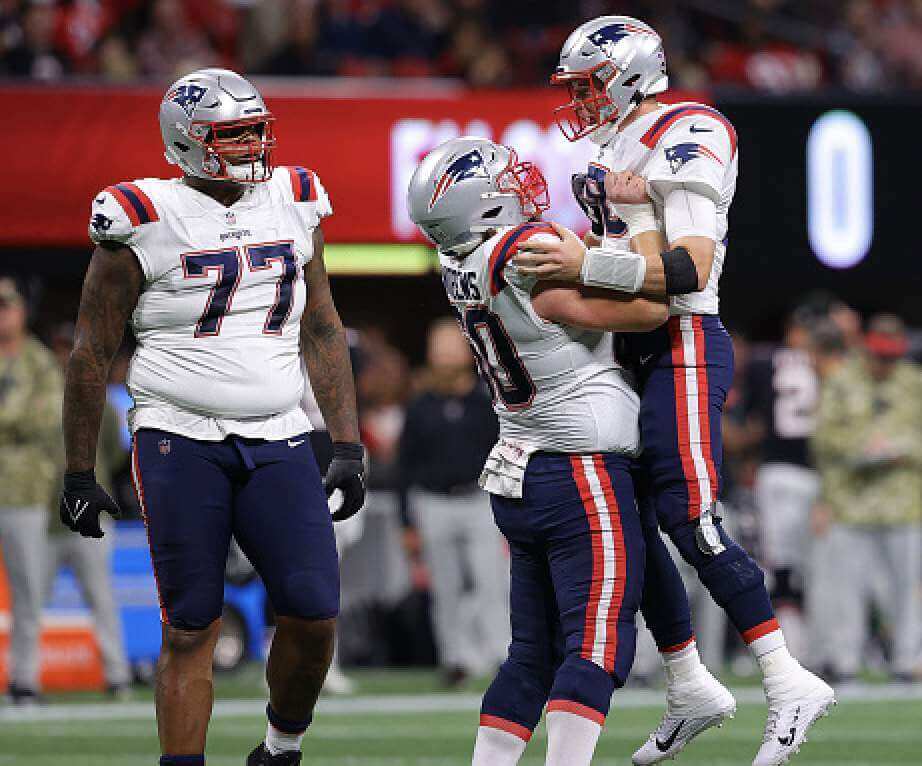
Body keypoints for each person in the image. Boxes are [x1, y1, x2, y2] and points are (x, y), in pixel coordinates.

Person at [513, 16, 834, 765]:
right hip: (628, 345)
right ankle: (689, 682)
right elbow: (628, 252)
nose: (580, 102)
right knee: (625, 521)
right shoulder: (611, 143)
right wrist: (591, 253)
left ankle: (787, 679)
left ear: (631, 74)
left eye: (589, 85)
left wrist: (583, 265)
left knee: (690, 511)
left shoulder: (689, 129)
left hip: (682, 341)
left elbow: (686, 270)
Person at [58, 69, 365, 766]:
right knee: (193, 626)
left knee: (315, 616)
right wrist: (79, 468)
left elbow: (321, 325)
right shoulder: (140, 214)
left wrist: (347, 442)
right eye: (233, 134)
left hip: (281, 431)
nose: (254, 143)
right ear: (186, 143)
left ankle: (280, 748)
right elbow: (90, 352)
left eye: (257, 128)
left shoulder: (295, 197)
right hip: (179, 437)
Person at [408, 136, 666, 766]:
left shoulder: (459, 263)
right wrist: (638, 224)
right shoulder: (527, 252)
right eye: (507, 184)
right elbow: (653, 306)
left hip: (523, 469)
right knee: (598, 647)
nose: (524, 189)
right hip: (578, 470)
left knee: (530, 654)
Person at [811, 314, 922, 681]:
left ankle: (907, 662)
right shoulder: (841, 382)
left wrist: (901, 448)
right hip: (850, 502)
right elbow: (822, 439)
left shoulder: (914, 383)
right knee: (846, 589)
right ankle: (845, 662)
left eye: (892, 357)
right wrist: (862, 449)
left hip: (904, 503)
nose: (885, 364)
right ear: (866, 350)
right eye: (880, 356)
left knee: (908, 589)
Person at [397, 317, 506, 686]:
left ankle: (499, 655)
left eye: (450, 346)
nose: (444, 356)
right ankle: (454, 658)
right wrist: (405, 522)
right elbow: (405, 465)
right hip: (433, 503)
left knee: (491, 581)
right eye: (438, 347)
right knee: (445, 586)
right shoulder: (420, 405)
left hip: (479, 500)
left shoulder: (486, 398)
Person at [48, 323, 132, 698]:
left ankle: (117, 676)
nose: (67, 356)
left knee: (101, 596)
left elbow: (116, 451)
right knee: (29, 600)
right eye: (62, 349)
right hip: (44, 513)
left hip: (89, 516)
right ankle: (23, 680)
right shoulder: (41, 394)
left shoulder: (100, 397)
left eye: (72, 348)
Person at [0, 277, 62, 704]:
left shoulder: (39, 362)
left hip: (23, 491)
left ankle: (24, 679)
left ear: (22, 310)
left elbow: (46, 421)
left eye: (6, 304)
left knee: (28, 591)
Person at [747, 309, 821, 660]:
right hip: (812, 471)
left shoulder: (764, 361)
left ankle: (787, 648)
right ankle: (808, 648)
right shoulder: (827, 361)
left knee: (781, 568)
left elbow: (756, 420)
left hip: (777, 470)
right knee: (806, 568)